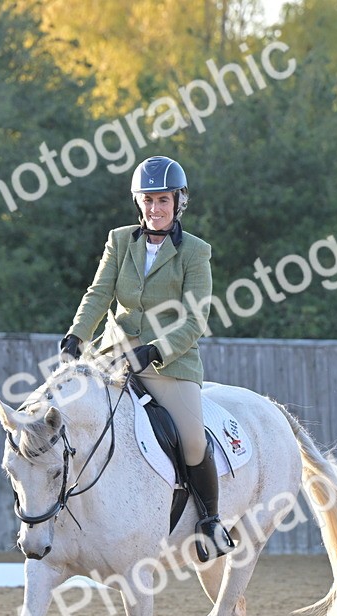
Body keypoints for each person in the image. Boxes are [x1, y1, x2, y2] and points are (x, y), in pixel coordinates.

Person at [58, 155, 235, 562]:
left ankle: (209, 520)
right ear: (138, 203)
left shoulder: (195, 252)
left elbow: (195, 318)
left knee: (192, 439)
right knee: (70, 414)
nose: (155, 209)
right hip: (115, 353)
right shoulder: (120, 241)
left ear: (178, 203)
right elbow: (99, 293)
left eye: (163, 201)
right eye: (148, 200)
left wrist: (155, 350)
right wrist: (76, 335)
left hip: (169, 361)